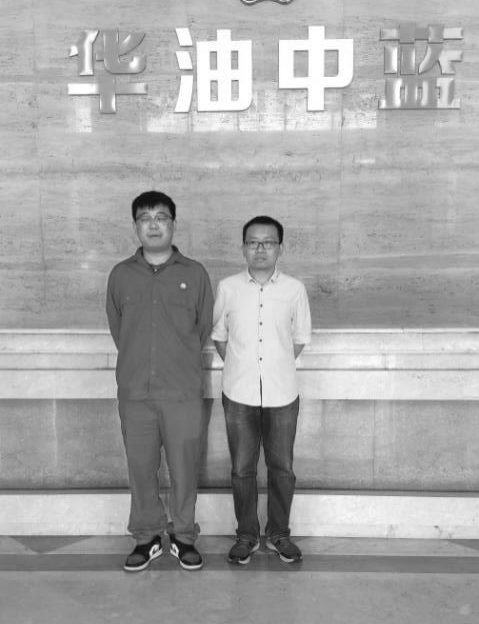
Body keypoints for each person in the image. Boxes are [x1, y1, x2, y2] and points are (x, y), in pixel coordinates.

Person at [106, 190, 213, 572]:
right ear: (136, 226)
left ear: (173, 224)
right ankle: (146, 537)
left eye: (161, 217)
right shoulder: (121, 275)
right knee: (140, 467)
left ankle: (183, 536)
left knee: (184, 468)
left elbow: (202, 327)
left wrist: (175, 361)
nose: (153, 224)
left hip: (182, 391)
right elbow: (119, 328)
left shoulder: (194, 274)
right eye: (145, 218)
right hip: (135, 392)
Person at [212, 215, 312, 565]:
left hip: (282, 393)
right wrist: (244, 366)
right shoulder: (227, 288)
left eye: (268, 242)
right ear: (243, 248)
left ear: (279, 248)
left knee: (282, 467)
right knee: (242, 468)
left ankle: (279, 534)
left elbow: (299, 338)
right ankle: (247, 535)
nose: (260, 249)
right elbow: (220, 337)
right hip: (238, 392)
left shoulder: (295, 290)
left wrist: (273, 365)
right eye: (253, 242)